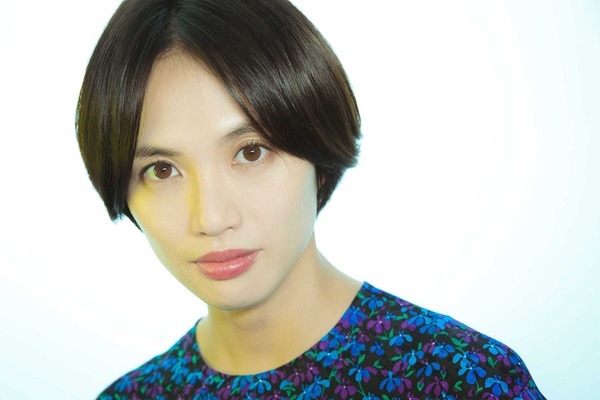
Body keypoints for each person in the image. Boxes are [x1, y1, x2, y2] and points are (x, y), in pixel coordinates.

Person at [77, 0, 546, 398]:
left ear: (318, 155)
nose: (212, 218)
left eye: (251, 152)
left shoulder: (462, 378)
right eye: (162, 170)